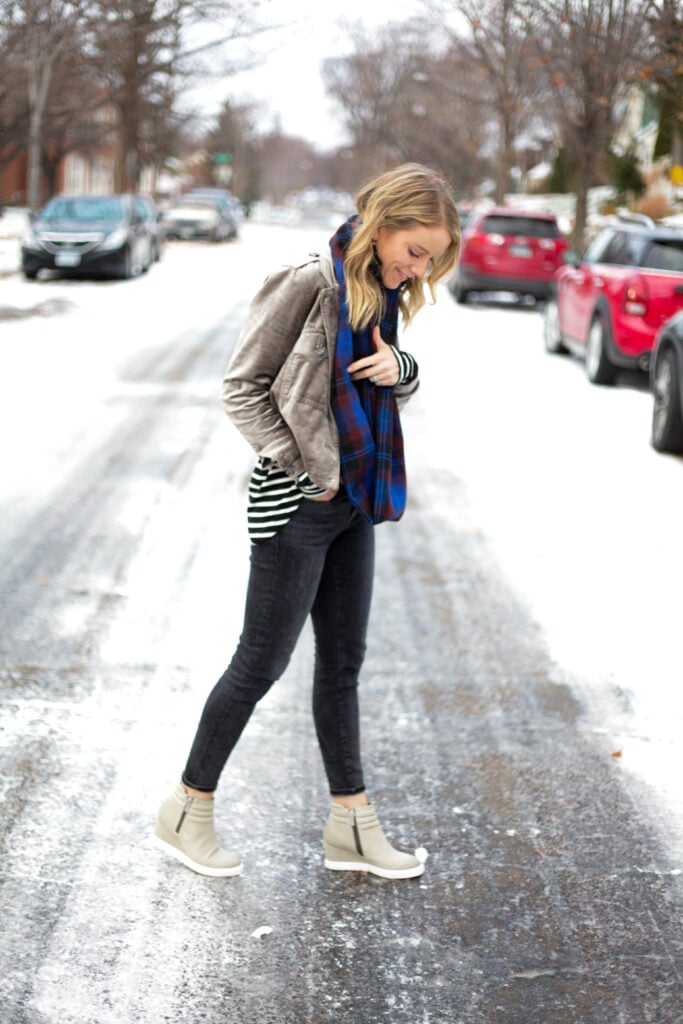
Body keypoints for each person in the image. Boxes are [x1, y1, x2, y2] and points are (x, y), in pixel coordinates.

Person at [153, 163, 461, 880]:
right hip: (299, 503)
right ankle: (185, 811)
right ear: (382, 223)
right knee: (260, 662)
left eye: (429, 259)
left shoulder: (382, 292)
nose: (416, 268)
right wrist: (302, 466)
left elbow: (380, 378)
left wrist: (403, 370)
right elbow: (243, 387)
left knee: (342, 666)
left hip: (356, 499)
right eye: (413, 250)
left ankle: (350, 829)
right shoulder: (307, 282)